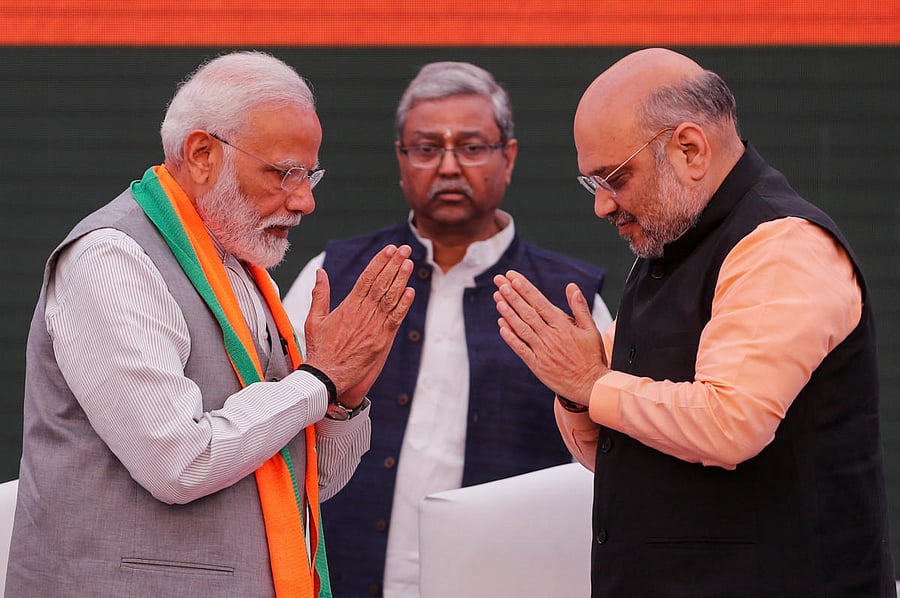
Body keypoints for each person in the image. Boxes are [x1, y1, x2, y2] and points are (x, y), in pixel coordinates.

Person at [5, 51, 415, 598]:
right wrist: (316, 380)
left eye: (310, 173)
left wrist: (341, 401)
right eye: (284, 172)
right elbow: (180, 463)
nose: (306, 200)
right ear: (202, 154)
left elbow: (305, 486)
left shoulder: (238, 268)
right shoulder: (111, 258)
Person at [492, 48, 895, 596]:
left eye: (614, 178)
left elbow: (731, 423)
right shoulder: (671, 252)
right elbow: (620, 458)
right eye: (593, 185)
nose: (602, 207)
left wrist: (591, 382)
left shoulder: (781, 244)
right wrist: (579, 396)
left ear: (689, 149)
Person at [282, 61, 612, 597]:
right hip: (339, 576)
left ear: (508, 157)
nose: (450, 166)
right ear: (401, 161)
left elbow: (609, 459)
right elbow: (274, 419)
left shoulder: (570, 298)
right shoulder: (335, 275)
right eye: (428, 148)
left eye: (473, 147)